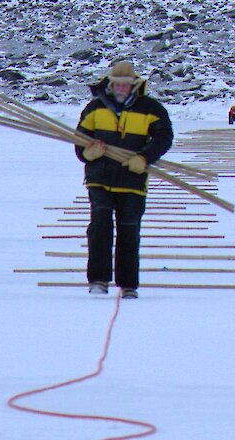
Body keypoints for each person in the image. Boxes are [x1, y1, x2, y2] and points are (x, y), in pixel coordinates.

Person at [74, 61, 173, 299]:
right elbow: (79, 141)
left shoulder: (151, 108)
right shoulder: (94, 108)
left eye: (125, 85)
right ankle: (98, 279)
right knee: (100, 226)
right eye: (116, 84)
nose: (120, 89)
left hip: (133, 179)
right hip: (100, 178)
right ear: (110, 83)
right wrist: (88, 153)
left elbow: (164, 137)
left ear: (134, 86)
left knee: (129, 229)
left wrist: (145, 157)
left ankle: (128, 284)